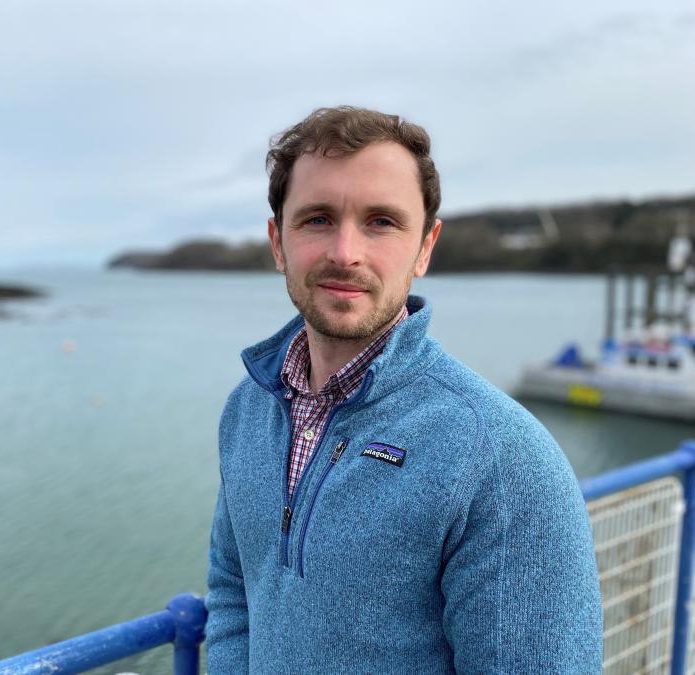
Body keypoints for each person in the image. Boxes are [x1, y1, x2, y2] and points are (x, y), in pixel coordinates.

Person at [205, 106, 603, 673]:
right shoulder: (248, 408)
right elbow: (232, 587)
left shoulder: (504, 461)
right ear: (278, 241)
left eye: (381, 221)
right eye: (317, 219)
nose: (346, 252)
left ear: (425, 247)